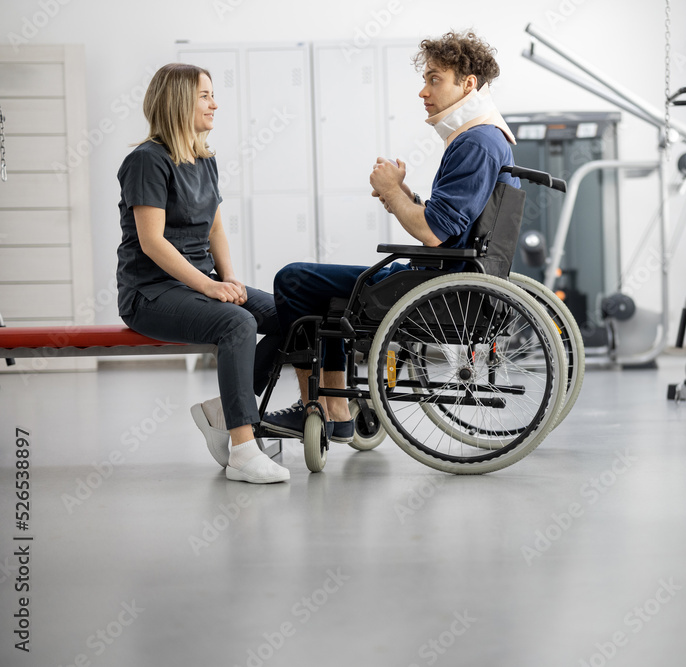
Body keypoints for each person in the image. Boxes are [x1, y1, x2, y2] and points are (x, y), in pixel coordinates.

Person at [265, 30, 519, 439]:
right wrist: (403, 195)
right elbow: (452, 223)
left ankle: (319, 406)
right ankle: (335, 409)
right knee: (326, 296)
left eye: (435, 79)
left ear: (468, 84)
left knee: (294, 279)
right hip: (450, 279)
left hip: (438, 287)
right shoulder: (489, 138)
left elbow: (434, 231)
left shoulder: (476, 142)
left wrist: (388, 192)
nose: (423, 91)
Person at [116, 63, 289, 484]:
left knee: (293, 316)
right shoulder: (146, 161)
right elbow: (153, 242)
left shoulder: (204, 159)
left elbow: (214, 227)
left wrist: (229, 280)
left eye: (212, 94)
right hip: (151, 293)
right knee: (237, 323)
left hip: (197, 286)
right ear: (178, 103)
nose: (215, 103)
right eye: (205, 95)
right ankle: (243, 449)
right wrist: (211, 286)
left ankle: (224, 408)